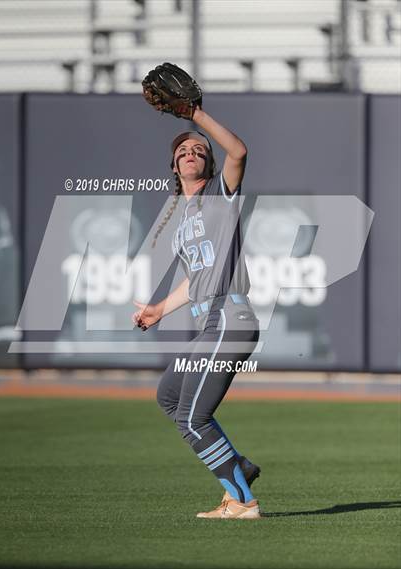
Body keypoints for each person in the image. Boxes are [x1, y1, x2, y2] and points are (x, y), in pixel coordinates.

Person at [132, 107, 262, 519]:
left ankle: (242, 500)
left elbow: (238, 152)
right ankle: (237, 466)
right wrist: (159, 308)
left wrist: (196, 116)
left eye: (200, 150)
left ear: (207, 164)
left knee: (192, 417)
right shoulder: (183, 215)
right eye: (183, 149)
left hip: (229, 316)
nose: (191, 152)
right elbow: (194, 280)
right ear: (173, 165)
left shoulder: (217, 197)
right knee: (169, 397)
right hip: (212, 320)